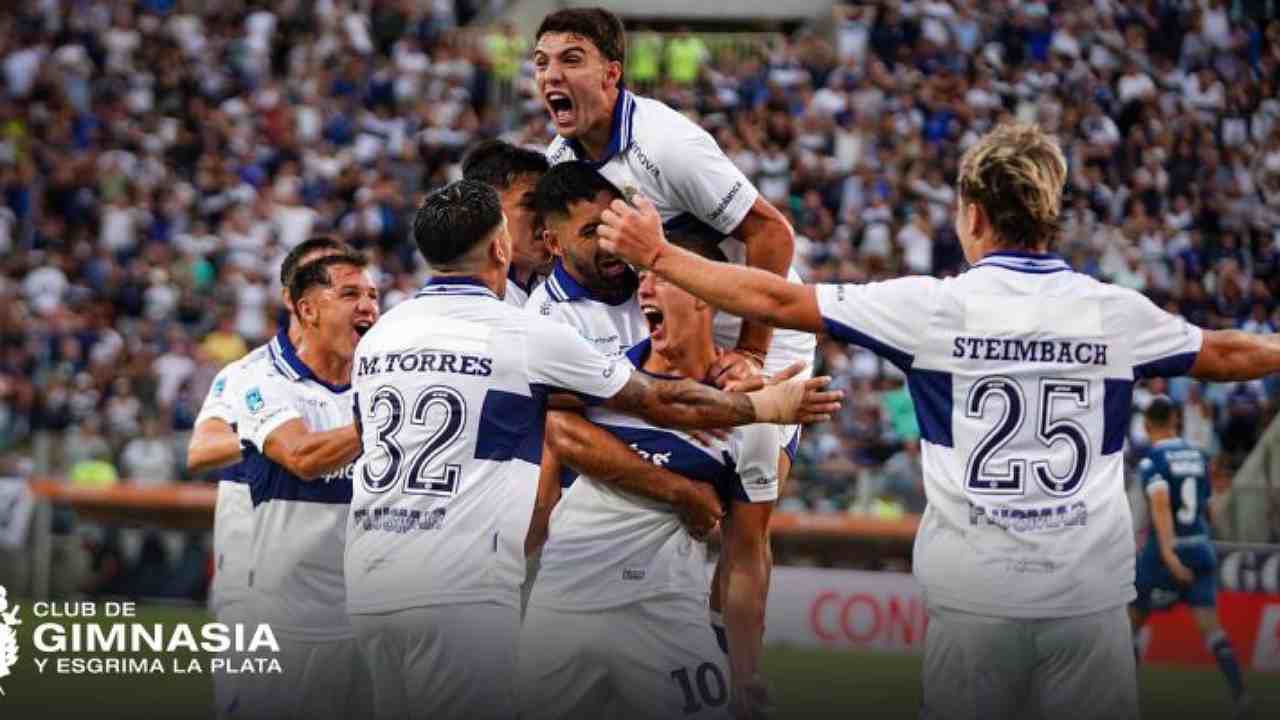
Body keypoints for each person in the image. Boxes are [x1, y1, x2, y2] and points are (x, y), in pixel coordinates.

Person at [597, 122, 1280, 720]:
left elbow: (777, 300)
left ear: (973, 216)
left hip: (974, 602)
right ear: (1048, 216)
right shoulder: (1113, 311)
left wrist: (659, 255)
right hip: (1087, 604)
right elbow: (1226, 353)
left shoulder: (932, 309)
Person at [343, 179, 839, 720]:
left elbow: (365, 439)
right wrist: (764, 407)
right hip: (468, 587)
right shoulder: (529, 334)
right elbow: (653, 400)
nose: (644, 289)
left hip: (374, 581)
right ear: (500, 249)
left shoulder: (380, 337)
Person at [524, 161, 790, 647]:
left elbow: (764, 274)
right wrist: (680, 487)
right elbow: (562, 435)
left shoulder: (655, 271)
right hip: (585, 554)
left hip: (666, 580)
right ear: (553, 244)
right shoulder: (547, 319)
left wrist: (750, 361)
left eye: (612, 224)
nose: (610, 243)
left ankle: (730, 649)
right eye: (591, 232)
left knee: (751, 513)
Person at [518, 244, 778, 720]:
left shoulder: (751, 412)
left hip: (667, 608)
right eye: (642, 278)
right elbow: (553, 443)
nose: (645, 289)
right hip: (562, 604)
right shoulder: (604, 376)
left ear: (703, 294)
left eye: (662, 277)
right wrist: (679, 490)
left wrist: (745, 669)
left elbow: (747, 554)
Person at [186, 235, 353, 720]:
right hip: (253, 577)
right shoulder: (250, 373)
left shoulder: (361, 373)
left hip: (330, 578)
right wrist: (269, 432)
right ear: (293, 298)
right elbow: (200, 450)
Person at [233, 251, 380, 720]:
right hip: (287, 627)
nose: (368, 306)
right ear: (307, 310)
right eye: (350, 294)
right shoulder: (260, 380)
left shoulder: (379, 387)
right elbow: (301, 457)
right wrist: (383, 420)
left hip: (370, 622)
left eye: (373, 295)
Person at [1129, 396, 1250, 717]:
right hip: (1200, 547)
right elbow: (1207, 506)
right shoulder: (1198, 456)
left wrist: (1169, 553)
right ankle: (1242, 698)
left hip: (1165, 551)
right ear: (1175, 420)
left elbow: (1160, 505)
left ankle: (1123, 699)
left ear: (1146, 425)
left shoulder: (1152, 461)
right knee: (1213, 629)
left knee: (1129, 624)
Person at [461, 139, 554, 307]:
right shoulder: (470, 300)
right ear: (486, 212)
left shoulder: (551, 286)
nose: (548, 215)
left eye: (550, 203)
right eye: (531, 203)